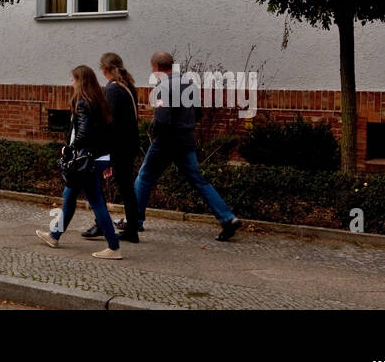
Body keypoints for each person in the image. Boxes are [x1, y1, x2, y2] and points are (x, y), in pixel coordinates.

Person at [135, 51, 243, 241]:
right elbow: (198, 113)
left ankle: (135, 220)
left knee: (144, 176)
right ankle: (228, 218)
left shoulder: (163, 87)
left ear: (156, 68)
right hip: (187, 140)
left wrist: (153, 134)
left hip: (166, 142)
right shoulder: (189, 84)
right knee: (199, 181)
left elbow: (162, 119)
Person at [36, 65, 122, 259]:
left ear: (81, 81)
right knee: (70, 195)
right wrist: (107, 160)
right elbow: (108, 132)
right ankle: (54, 235)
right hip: (98, 157)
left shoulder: (83, 101)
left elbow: (83, 133)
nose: (71, 82)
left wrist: (70, 148)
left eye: (73, 79)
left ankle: (114, 247)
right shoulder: (99, 100)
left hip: (87, 159)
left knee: (96, 202)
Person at [81, 52, 141, 243]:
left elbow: (110, 122)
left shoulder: (112, 89)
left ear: (104, 69)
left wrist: (105, 152)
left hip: (118, 146)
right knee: (126, 188)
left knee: (99, 186)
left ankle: (102, 225)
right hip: (129, 144)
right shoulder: (128, 86)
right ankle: (131, 228)